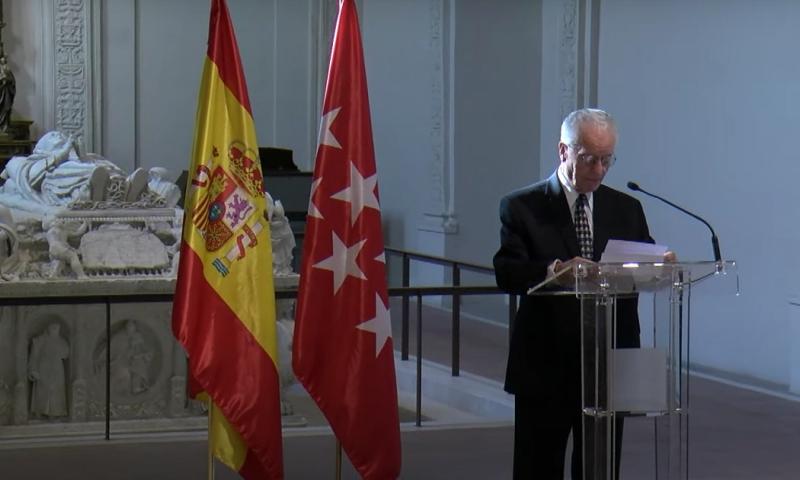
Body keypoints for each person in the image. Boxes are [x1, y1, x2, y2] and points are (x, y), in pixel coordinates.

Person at [493, 108, 673, 479]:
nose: (600, 170)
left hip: (608, 362)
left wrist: (661, 265)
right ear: (564, 151)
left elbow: (644, 264)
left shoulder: (627, 208)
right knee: (538, 467)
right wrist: (553, 272)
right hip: (547, 363)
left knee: (599, 469)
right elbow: (507, 271)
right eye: (590, 158)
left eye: (608, 160)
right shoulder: (522, 207)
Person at [28, 322, 70, 418]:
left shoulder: (62, 341)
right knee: (42, 390)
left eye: (57, 327)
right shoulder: (40, 340)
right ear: (48, 327)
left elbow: (66, 354)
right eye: (53, 327)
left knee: (56, 390)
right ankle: (40, 412)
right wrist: (33, 369)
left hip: (57, 369)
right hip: (43, 368)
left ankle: (55, 413)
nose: (55, 328)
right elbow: (34, 356)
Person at [0, 56, 15, 133]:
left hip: (5, 93)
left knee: (6, 109)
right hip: (2, 91)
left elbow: (12, 82)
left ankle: (4, 126)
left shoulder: (8, 70)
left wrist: (6, 80)